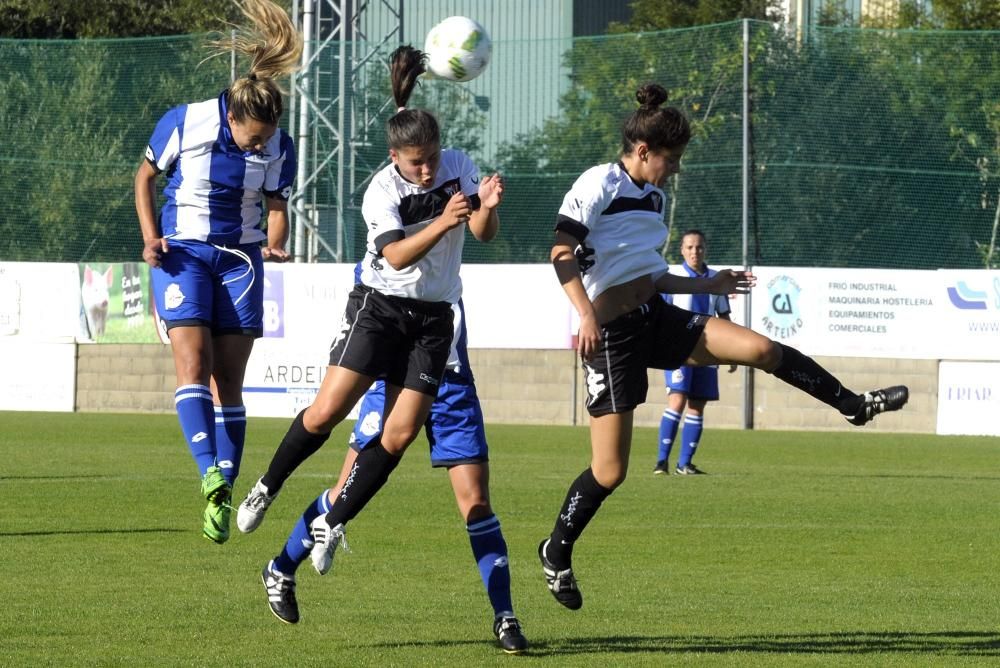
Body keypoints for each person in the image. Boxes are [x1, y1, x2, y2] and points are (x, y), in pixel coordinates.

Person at [538, 83, 908, 611]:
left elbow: (650, 277)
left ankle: (851, 405)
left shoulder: (655, 197)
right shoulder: (599, 182)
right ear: (644, 151)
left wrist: (705, 287)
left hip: (655, 317)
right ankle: (556, 550)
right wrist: (585, 315)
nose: (676, 169)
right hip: (611, 334)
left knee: (759, 349)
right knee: (610, 470)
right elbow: (559, 252)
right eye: (672, 158)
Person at [235, 45, 513, 645]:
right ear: (396, 157)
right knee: (328, 415)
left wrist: (485, 208)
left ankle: (503, 616)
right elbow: (395, 255)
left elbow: (483, 234)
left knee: (417, 452)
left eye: (433, 159)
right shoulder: (380, 190)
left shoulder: (457, 165)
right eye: (417, 161)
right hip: (381, 311)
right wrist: (445, 219)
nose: (428, 169)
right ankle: (270, 493)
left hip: (437, 329)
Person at [257, 297, 528, 653]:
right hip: (395, 384)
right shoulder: (382, 258)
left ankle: (505, 616)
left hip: (450, 387)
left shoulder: (443, 253)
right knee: (343, 491)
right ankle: (280, 569)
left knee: (477, 503)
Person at [134, 0, 300, 544]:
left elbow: (277, 206)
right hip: (182, 252)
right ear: (231, 117)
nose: (259, 145)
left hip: (240, 262)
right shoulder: (187, 121)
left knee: (229, 380)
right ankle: (207, 467)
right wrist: (149, 237)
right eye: (252, 138)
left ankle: (224, 486)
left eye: (264, 139)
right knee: (192, 361)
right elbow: (144, 179)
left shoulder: (280, 144)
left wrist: (275, 246)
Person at [654, 229, 737, 476]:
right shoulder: (673, 278)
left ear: (705, 249)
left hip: (708, 351)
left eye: (699, 247)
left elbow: (724, 316)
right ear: (682, 250)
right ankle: (661, 462)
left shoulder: (715, 279)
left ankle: (685, 464)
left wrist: (731, 351)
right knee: (677, 400)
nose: (694, 251)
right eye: (690, 247)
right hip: (679, 351)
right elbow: (662, 313)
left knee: (697, 405)